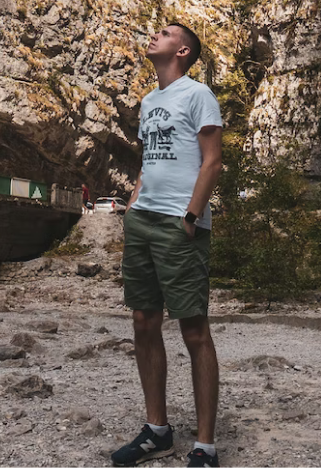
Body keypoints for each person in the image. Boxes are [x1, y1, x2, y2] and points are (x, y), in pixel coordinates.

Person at [113, 23, 224, 468]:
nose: (152, 35)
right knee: (143, 320)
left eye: (163, 33)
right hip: (143, 220)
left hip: (181, 223)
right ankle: (157, 430)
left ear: (182, 50)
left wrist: (192, 217)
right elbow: (151, 157)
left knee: (194, 331)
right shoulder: (149, 101)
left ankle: (205, 446)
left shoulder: (198, 94)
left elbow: (212, 160)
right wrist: (135, 199)